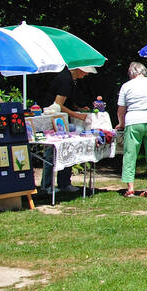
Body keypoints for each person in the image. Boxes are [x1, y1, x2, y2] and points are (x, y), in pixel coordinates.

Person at [38, 65, 95, 198]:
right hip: (54, 120)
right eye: (86, 72)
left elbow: (66, 101)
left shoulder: (70, 79)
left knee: (67, 150)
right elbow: (58, 105)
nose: (86, 75)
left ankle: (64, 183)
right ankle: (47, 185)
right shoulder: (66, 80)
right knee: (51, 153)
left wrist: (78, 107)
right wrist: (78, 115)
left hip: (62, 119)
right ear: (80, 70)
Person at [117, 61, 147, 197]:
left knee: (130, 154)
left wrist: (121, 123)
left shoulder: (126, 86)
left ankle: (130, 188)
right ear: (144, 71)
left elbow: (121, 109)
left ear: (131, 73)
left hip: (134, 120)